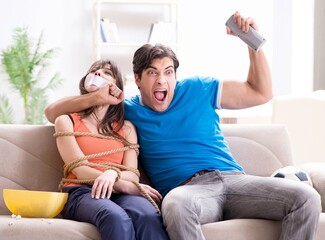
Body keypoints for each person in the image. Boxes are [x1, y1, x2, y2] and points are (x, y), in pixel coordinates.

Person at [45, 12, 321, 240]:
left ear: (176, 76)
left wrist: (252, 44)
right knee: (175, 206)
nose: (162, 81)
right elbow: (53, 113)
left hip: (235, 180)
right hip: (188, 190)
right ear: (137, 80)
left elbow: (259, 93)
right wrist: (96, 95)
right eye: (152, 73)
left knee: (306, 198)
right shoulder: (127, 111)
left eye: (168, 73)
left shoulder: (200, 88)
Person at [53, 59, 169, 240]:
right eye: (94, 71)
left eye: (107, 73)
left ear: (117, 86)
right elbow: (79, 168)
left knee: (148, 215)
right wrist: (119, 182)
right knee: (115, 217)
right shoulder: (66, 121)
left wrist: (112, 175)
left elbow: (132, 174)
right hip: (81, 191)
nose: (98, 73)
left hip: (118, 191)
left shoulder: (127, 128)